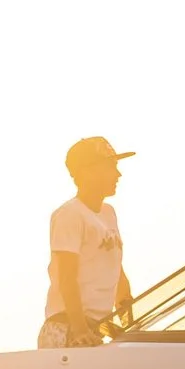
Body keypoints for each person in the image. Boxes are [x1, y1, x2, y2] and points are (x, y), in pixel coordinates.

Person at [39, 136, 135, 349]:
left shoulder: (109, 214)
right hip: (68, 328)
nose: (118, 174)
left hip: (95, 329)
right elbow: (67, 278)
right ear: (87, 172)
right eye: (110, 167)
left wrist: (131, 325)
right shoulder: (69, 214)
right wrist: (80, 330)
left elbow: (116, 272)